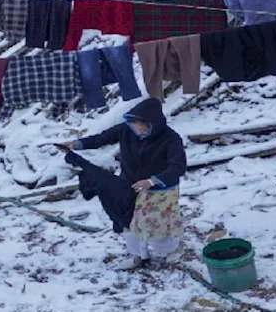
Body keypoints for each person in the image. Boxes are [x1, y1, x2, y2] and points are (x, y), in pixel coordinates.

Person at [59, 98, 187, 270]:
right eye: (132, 123)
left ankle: (169, 250)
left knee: (157, 224)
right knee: (127, 219)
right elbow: (101, 138)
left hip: (159, 190)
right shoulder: (125, 130)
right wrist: (77, 144)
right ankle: (138, 255)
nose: (135, 128)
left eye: (138, 124)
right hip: (129, 183)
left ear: (150, 123)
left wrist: (152, 181)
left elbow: (178, 167)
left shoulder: (171, 139)